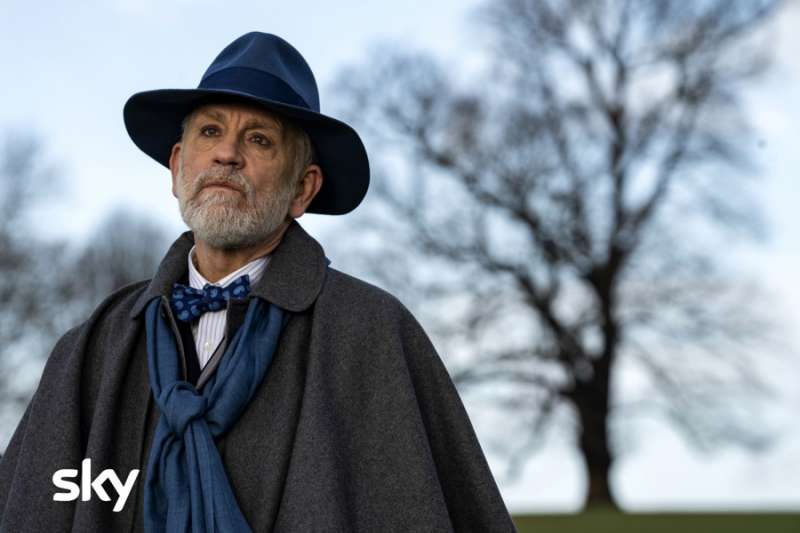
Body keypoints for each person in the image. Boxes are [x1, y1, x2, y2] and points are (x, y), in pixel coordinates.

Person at [0, 32, 517, 532]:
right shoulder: (92, 349)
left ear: (302, 188)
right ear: (179, 166)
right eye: (209, 132)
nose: (227, 154)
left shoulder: (371, 334)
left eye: (259, 139)